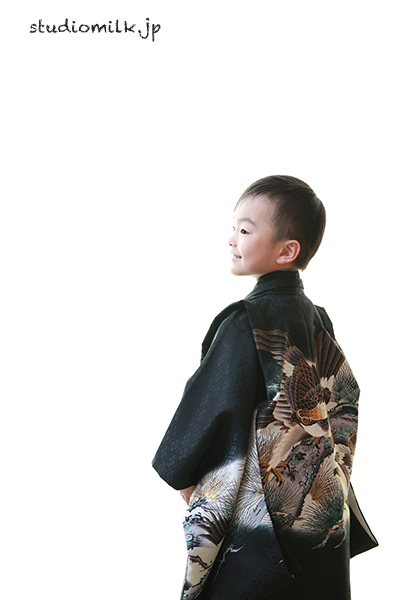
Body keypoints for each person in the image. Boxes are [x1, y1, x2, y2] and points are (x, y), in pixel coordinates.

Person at [152, 176, 377, 600]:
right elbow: (343, 403)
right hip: (320, 516)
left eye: (244, 229)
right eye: (233, 227)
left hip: (261, 527)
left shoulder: (244, 322)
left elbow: (208, 415)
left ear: (286, 250)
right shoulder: (318, 318)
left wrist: (195, 488)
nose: (232, 239)